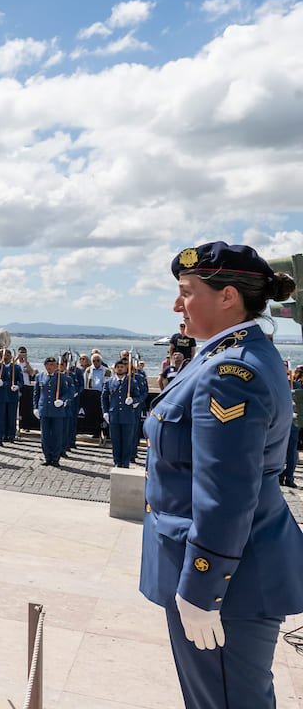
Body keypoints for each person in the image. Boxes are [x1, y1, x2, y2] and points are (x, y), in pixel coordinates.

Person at [142, 242, 303, 709]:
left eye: (187, 292)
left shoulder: (228, 372)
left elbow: (226, 494)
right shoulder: (232, 356)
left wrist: (202, 589)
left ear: (228, 296)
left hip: (226, 583)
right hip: (235, 573)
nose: (177, 305)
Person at [102, 357, 146, 468]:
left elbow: (139, 396)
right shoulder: (109, 382)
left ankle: (125, 462)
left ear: (126, 368)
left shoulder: (132, 382)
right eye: (118, 367)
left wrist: (134, 401)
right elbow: (104, 398)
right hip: (114, 415)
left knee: (127, 441)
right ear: (115, 369)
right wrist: (105, 412)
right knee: (116, 441)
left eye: (122, 367)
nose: (120, 369)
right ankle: (117, 461)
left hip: (128, 416)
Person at [34, 357, 73, 467]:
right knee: (45, 435)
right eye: (48, 364)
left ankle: (56, 457)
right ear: (45, 365)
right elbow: (36, 394)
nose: (50, 367)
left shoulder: (61, 377)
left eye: (53, 364)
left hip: (57, 411)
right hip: (44, 409)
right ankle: (47, 456)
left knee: (57, 435)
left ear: (56, 366)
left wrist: (62, 400)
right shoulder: (40, 376)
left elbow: (67, 392)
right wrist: (35, 408)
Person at [0, 349, 23, 443]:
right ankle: (2, 435)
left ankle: (11, 435)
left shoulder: (16, 368)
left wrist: (17, 386)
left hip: (12, 396)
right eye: (4, 355)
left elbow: (21, 381)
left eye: (8, 355)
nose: (6, 357)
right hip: (2, 396)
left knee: (11, 417)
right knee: (1, 417)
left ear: (11, 356)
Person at [287, 365, 303, 489]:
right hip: (289, 420)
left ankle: (287, 476)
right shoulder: (296, 385)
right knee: (290, 450)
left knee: (290, 450)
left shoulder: (296, 385)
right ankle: (287, 477)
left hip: (288, 420)